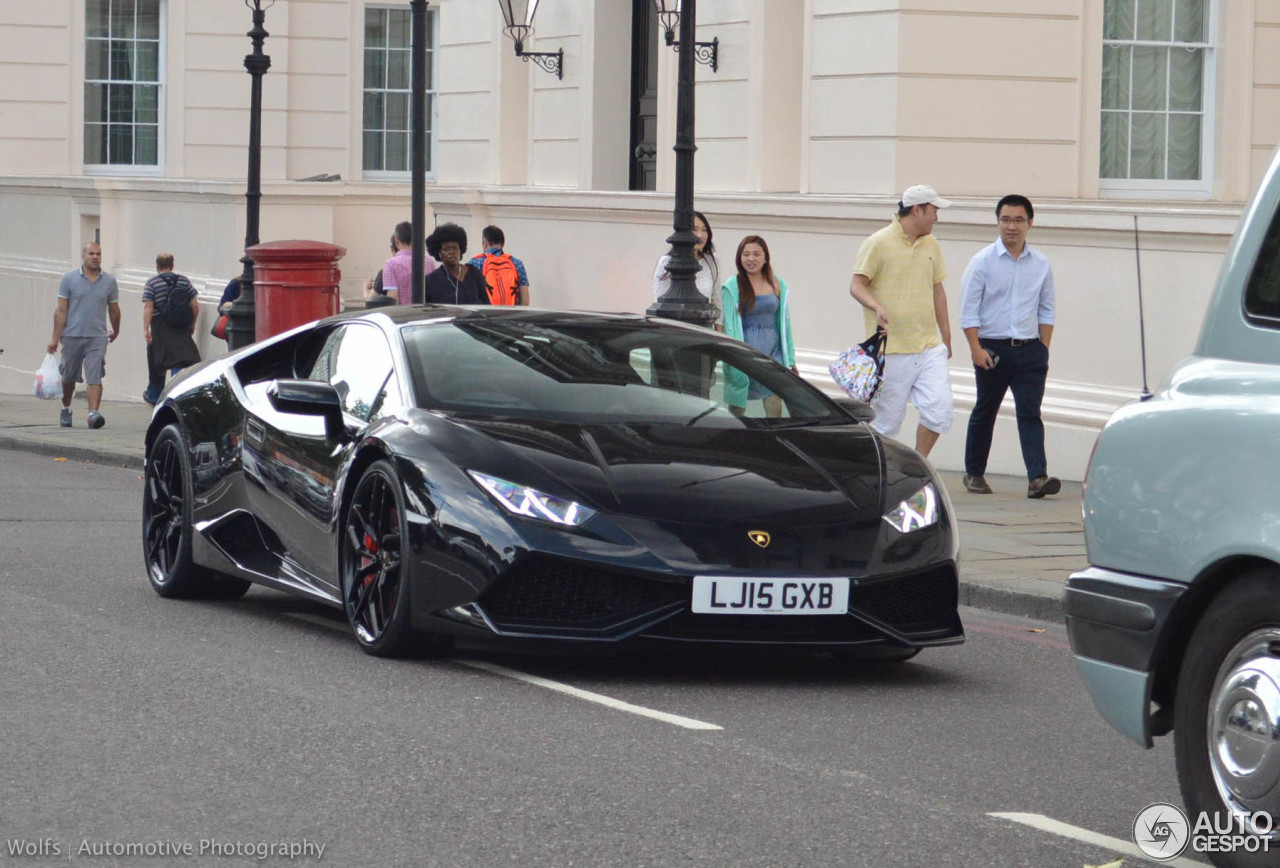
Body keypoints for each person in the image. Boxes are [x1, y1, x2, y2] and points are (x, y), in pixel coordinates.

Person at [959, 194, 1060, 498]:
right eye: (1005, 219)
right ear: (997, 222)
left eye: (1018, 220)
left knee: (1030, 412)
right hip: (993, 348)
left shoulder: (1041, 264)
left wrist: (1043, 347)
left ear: (1030, 223)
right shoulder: (982, 261)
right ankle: (974, 473)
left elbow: (1047, 309)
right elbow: (969, 310)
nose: (1011, 226)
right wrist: (976, 348)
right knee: (986, 410)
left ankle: (1037, 478)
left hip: (1030, 349)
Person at [847, 185, 954, 458]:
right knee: (886, 424)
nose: (937, 218)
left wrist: (947, 337)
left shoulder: (932, 243)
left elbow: (937, 290)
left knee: (939, 410)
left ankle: (919, 465)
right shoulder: (877, 243)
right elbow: (857, 285)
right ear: (917, 210)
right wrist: (876, 306)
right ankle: (876, 473)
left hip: (929, 345)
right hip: (891, 349)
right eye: (933, 211)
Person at [720, 235, 796, 417]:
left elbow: (785, 324)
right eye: (746, 254)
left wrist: (790, 359)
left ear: (765, 257)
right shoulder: (732, 286)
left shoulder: (778, 284)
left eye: (756, 254)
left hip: (773, 355)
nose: (751, 259)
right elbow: (727, 325)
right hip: (744, 355)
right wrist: (730, 355)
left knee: (774, 407)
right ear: (739, 258)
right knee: (737, 411)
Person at [47, 241, 120, 429]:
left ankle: (93, 413)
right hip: (72, 336)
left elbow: (114, 309)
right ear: (83, 256)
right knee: (69, 376)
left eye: (98, 254)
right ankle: (66, 407)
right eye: (91, 254)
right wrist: (55, 339)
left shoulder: (109, 281)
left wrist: (116, 329)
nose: (95, 257)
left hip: (97, 336)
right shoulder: (69, 279)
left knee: (95, 375)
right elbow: (61, 311)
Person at [142, 253, 201, 405]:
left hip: (159, 326)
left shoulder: (151, 283)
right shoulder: (183, 281)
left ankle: (154, 396)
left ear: (157, 265)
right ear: (172, 265)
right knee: (182, 359)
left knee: (157, 361)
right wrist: (193, 323)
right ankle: (178, 390)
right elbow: (195, 304)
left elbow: (148, 307)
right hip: (181, 325)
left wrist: (145, 329)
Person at [652, 210, 720, 325]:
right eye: (695, 229)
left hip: (705, 328)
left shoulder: (712, 261)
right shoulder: (666, 262)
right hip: (676, 328)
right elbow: (659, 302)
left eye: (704, 230)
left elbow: (717, 301)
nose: (700, 235)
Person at [424, 223, 491, 305]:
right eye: (446, 249)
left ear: (461, 249)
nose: (452, 253)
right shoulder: (431, 281)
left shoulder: (474, 274)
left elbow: (485, 303)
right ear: (439, 253)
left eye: (455, 248)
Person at [469, 225, 531, 306]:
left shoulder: (475, 263)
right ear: (503, 244)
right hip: (510, 316)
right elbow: (525, 301)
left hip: (486, 315)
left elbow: (469, 297)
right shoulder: (516, 263)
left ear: (485, 243)